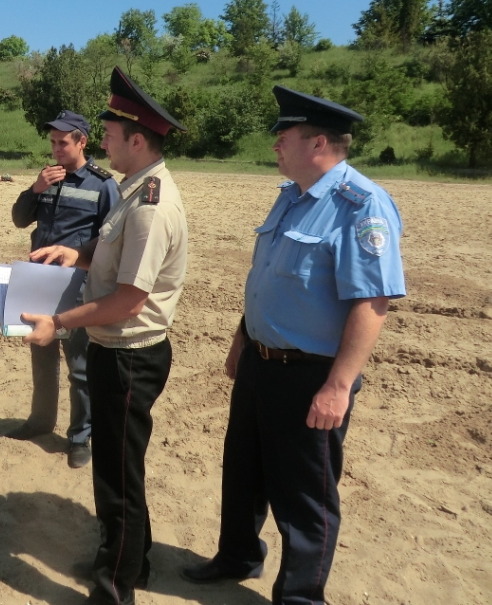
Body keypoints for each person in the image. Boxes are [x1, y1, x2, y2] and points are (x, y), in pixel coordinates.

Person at [181, 86, 406, 605]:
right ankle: (238, 556)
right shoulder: (291, 196)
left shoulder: (361, 205)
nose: (275, 145)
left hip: (311, 376)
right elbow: (269, 279)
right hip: (260, 361)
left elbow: (371, 303)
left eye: (284, 136)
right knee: (243, 469)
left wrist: (339, 386)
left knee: (306, 495)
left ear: (318, 143)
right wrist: (242, 337)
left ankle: (301, 596)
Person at [21, 68, 188, 605]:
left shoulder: (151, 206)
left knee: (117, 480)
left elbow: (128, 300)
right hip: (118, 351)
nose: (105, 143)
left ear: (137, 141)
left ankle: (115, 587)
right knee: (122, 470)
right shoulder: (133, 191)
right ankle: (132, 563)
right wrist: (76, 254)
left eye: (111, 135)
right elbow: (108, 255)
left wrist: (59, 322)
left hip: (129, 356)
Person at [9, 110, 119, 469]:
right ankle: (40, 421)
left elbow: (112, 241)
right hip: (39, 282)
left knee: (80, 367)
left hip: (78, 287)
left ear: (82, 141)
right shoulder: (47, 177)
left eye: (63, 142)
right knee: (41, 357)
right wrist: (35, 189)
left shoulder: (103, 185)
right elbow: (19, 219)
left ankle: (80, 437)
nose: (56, 148)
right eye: (53, 142)